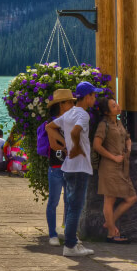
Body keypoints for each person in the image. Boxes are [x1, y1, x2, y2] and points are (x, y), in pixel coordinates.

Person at [46, 81, 101, 257]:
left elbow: (49, 127)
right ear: (86, 97)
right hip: (79, 167)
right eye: (93, 95)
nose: (95, 98)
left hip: (68, 167)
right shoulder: (83, 115)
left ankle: (73, 242)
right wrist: (75, 146)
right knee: (75, 208)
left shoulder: (69, 113)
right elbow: (75, 132)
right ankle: (70, 246)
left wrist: (60, 144)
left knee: (72, 207)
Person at [93, 97, 137, 243]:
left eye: (116, 103)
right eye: (113, 106)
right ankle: (111, 233)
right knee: (109, 199)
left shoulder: (118, 122)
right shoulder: (103, 125)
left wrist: (129, 145)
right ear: (106, 111)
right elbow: (97, 145)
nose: (117, 106)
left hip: (122, 167)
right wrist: (113, 157)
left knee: (131, 198)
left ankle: (109, 223)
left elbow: (126, 137)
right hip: (109, 167)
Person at [40, 88, 73, 246]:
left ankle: (68, 231)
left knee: (69, 200)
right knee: (53, 201)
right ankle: (52, 233)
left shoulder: (72, 121)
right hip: (56, 166)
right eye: (69, 102)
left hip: (70, 166)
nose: (72, 105)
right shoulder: (51, 123)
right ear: (62, 105)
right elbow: (53, 145)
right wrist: (67, 146)